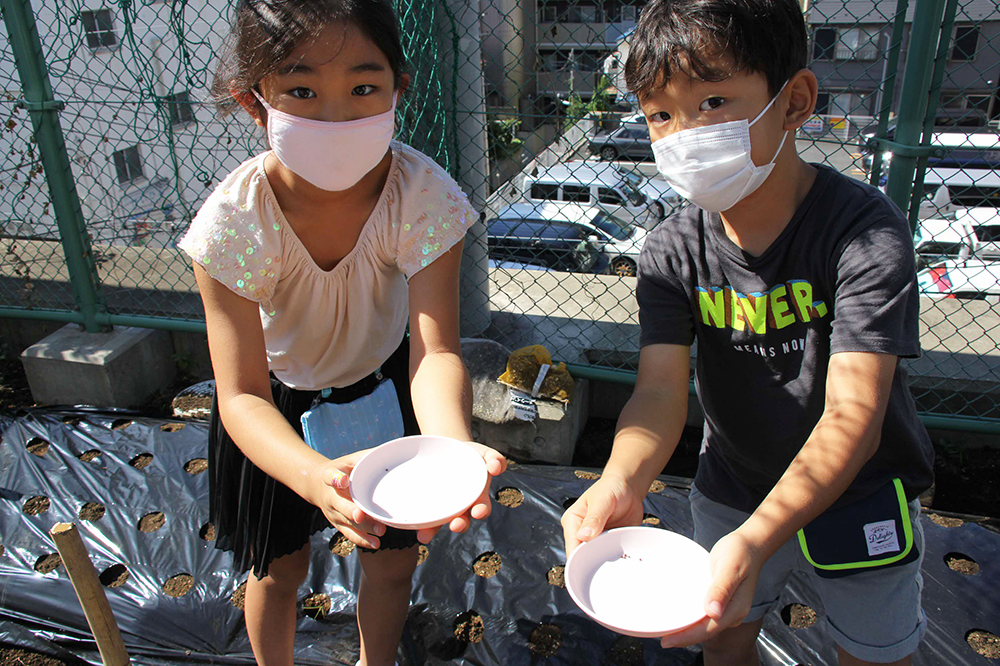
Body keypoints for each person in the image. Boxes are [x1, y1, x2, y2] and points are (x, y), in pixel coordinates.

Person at [561, 0, 934, 664]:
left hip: (860, 491)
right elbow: (658, 394)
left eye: (712, 103)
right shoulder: (671, 250)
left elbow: (854, 413)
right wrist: (622, 479)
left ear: (795, 101)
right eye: (660, 116)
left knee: (878, 653)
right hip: (732, 489)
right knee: (723, 640)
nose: (684, 134)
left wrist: (761, 539)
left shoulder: (862, 232)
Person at [177, 2, 506, 665]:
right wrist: (311, 476)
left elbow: (434, 350)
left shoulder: (424, 196)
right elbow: (239, 395)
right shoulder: (231, 225)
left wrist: (450, 447)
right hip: (273, 409)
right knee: (278, 570)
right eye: (301, 90)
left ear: (397, 90)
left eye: (363, 87)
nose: (335, 115)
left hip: (388, 387)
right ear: (253, 101)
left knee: (388, 566)